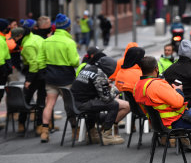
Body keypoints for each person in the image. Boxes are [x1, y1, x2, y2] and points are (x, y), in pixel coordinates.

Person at [37, 14, 79, 143]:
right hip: (66, 79)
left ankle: (44, 131)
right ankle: (74, 131)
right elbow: (74, 62)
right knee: (69, 105)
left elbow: (40, 61)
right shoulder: (69, 42)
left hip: (50, 77)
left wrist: (46, 72)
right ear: (67, 27)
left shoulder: (46, 41)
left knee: (49, 104)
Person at [71, 56, 130, 145]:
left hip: (75, 102)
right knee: (113, 105)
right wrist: (116, 91)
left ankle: (92, 134)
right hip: (83, 104)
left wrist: (105, 86)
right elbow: (106, 98)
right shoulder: (99, 74)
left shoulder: (88, 68)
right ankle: (107, 136)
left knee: (97, 104)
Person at [10, 26, 46, 134]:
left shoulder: (27, 45)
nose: (14, 40)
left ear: (20, 36)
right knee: (41, 100)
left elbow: (33, 64)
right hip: (45, 72)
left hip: (34, 73)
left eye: (14, 38)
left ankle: (22, 124)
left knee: (26, 98)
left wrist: (29, 80)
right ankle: (40, 126)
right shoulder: (37, 38)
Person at [0, 19, 11, 105]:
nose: (9, 28)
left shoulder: (2, 39)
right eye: (7, 27)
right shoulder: (1, 40)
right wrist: (4, 71)